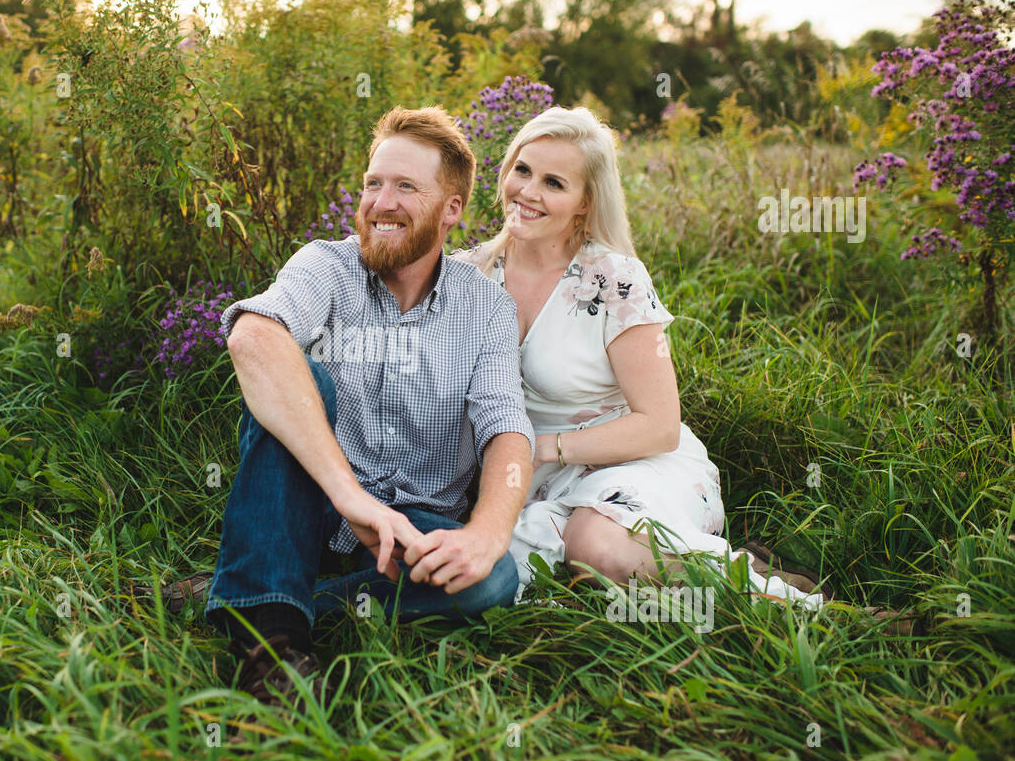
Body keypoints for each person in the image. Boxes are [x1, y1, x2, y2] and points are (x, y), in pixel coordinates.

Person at [203, 105, 536, 706]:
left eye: (406, 186)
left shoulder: (487, 309)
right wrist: (348, 496)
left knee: (497, 580)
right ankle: (273, 649)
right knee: (300, 373)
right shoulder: (325, 265)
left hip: (413, 522)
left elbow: (506, 432)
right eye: (373, 183)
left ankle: (258, 595)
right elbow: (251, 337)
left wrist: (487, 533)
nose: (382, 202)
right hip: (312, 502)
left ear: (452, 209)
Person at [449, 106, 825, 609]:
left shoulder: (613, 280)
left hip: (632, 463)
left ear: (585, 202)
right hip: (524, 480)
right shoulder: (465, 275)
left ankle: (817, 612)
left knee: (595, 544)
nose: (528, 192)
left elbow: (658, 426)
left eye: (555, 183)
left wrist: (537, 446)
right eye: (523, 170)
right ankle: (736, 561)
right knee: (503, 572)